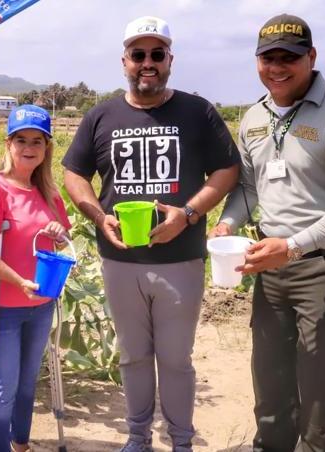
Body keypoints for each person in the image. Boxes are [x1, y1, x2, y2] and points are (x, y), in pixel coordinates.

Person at [61, 16, 240, 452]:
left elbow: (226, 170)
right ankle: (137, 438)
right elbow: (73, 173)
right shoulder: (101, 115)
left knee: (176, 360)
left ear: (169, 61)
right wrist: (96, 215)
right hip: (121, 260)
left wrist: (190, 214)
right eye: (138, 55)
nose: (147, 63)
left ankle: (181, 443)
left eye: (156, 54)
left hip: (180, 260)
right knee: (133, 356)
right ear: (124, 61)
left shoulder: (197, 112)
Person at [211, 13, 325, 452]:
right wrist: (229, 221)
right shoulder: (253, 117)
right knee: (270, 379)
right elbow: (250, 190)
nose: (277, 67)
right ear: (257, 61)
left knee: (322, 385)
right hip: (270, 268)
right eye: (268, 57)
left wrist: (293, 246)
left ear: (312, 57)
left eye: (289, 56)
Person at [0, 105, 72, 452]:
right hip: (2, 308)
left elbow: (64, 241)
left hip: (40, 305)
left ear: (46, 147)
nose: (29, 147)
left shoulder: (48, 193)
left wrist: (57, 232)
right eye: (21, 139)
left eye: (37, 141)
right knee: (5, 386)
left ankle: (20, 444)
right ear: (8, 144)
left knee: (27, 384)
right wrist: (18, 281)